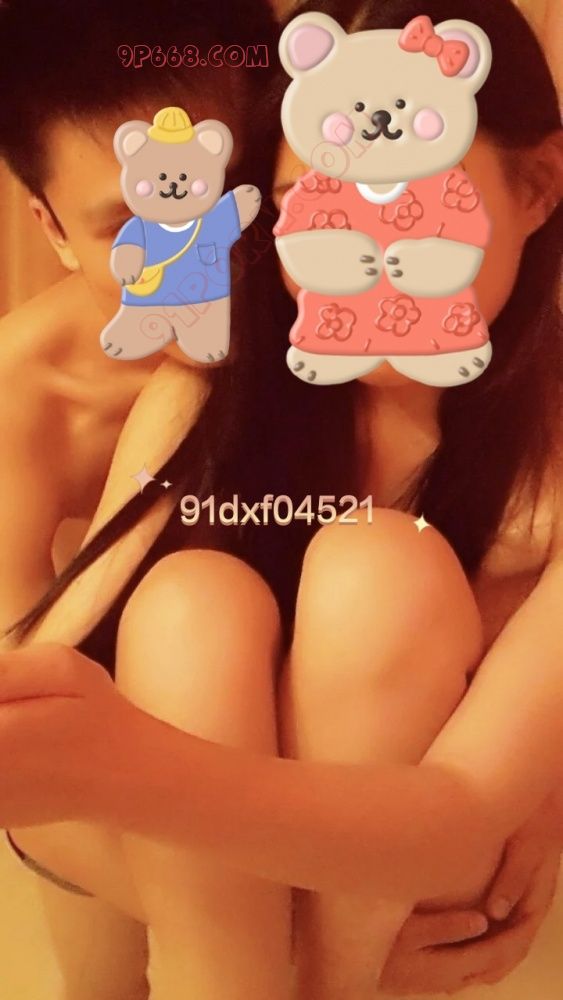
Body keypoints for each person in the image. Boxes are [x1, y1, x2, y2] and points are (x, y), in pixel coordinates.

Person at [1, 0, 562, 997]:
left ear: (534, 186)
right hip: (223, 879)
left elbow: (467, 804)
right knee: (191, 600)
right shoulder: (200, 394)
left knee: (374, 569)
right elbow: (45, 681)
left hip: (415, 860)